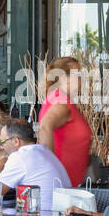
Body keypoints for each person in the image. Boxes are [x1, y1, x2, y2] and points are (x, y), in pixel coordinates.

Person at [38, 56, 92, 186]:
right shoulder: (61, 102)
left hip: (67, 186)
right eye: (77, 75)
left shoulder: (60, 98)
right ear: (63, 77)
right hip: (61, 188)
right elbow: (45, 126)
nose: (82, 79)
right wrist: (51, 169)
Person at [0, 118, 71, 197]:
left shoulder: (19, 157)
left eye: (2, 142)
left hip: (44, 209)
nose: (1, 147)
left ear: (16, 141)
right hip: (60, 208)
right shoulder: (44, 151)